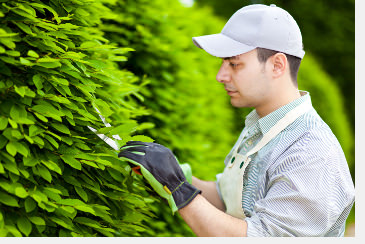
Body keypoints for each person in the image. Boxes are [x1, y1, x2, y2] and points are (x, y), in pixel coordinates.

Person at [119, 4, 355, 237]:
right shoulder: (261, 127)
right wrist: (172, 175)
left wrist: (179, 190)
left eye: (234, 64)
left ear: (277, 65)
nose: (220, 76)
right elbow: (228, 200)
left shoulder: (311, 152)